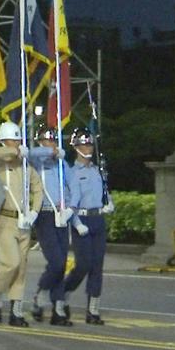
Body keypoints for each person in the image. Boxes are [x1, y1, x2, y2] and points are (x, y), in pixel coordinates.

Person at [0, 121, 44, 328]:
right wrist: (16, 151)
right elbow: (0, 154)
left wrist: (35, 212)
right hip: (5, 219)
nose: (17, 143)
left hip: (24, 220)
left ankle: (16, 310)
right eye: (13, 140)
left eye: (19, 140)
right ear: (3, 141)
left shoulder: (26, 166)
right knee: (11, 262)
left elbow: (38, 189)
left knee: (22, 268)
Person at [61, 127, 114, 325]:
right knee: (83, 264)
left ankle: (93, 310)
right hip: (81, 220)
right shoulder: (72, 173)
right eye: (84, 144)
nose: (88, 147)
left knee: (97, 266)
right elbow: (69, 201)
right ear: (76, 147)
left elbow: (104, 192)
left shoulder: (97, 170)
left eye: (90, 143)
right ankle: (64, 292)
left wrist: (109, 202)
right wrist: (75, 223)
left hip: (97, 219)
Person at [27, 124, 75, 326]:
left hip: (61, 215)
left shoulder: (62, 164)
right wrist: (51, 151)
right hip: (45, 214)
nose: (51, 144)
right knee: (55, 261)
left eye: (54, 141)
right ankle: (40, 293)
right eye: (47, 141)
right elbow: (29, 152)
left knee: (61, 263)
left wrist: (70, 206)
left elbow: (72, 186)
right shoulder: (37, 161)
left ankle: (58, 306)